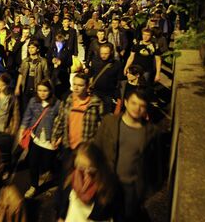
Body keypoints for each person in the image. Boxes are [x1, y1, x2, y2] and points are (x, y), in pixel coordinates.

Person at [92, 88, 164, 221]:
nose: (137, 108)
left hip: (131, 189)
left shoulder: (152, 132)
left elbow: (156, 164)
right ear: (125, 102)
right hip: (107, 182)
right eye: (134, 103)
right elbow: (97, 149)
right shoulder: (109, 122)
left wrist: (147, 192)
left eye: (142, 105)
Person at [55, 142, 122, 222]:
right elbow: (61, 202)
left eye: (91, 169)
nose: (86, 175)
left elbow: (114, 212)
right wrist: (61, 217)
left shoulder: (107, 187)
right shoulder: (69, 178)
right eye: (82, 168)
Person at [52, 74, 104, 172]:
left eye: (80, 85)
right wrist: (55, 136)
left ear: (87, 86)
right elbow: (61, 119)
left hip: (85, 148)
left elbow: (101, 126)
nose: (76, 88)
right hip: (68, 145)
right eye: (74, 84)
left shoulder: (96, 103)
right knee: (67, 175)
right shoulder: (68, 99)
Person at [19, 79, 61, 198]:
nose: (42, 93)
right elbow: (27, 116)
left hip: (49, 140)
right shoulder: (33, 101)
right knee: (33, 163)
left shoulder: (57, 104)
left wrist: (60, 137)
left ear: (50, 91)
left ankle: (52, 177)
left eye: (45, 90)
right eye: (40, 90)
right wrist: (22, 130)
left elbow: (62, 121)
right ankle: (33, 186)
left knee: (47, 164)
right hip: (35, 138)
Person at [14, 40, 51, 111]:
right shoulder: (25, 61)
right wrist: (17, 87)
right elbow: (21, 74)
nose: (30, 49)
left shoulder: (43, 61)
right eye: (29, 47)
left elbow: (46, 76)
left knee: (36, 109)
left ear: (37, 49)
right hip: (26, 88)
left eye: (33, 47)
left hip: (37, 88)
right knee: (25, 108)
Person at [89, 43, 123, 114]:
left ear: (111, 53)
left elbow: (119, 80)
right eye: (102, 53)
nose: (103, 55)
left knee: (106, 114)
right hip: (95, 92)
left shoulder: (117, 64)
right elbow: (90, 74)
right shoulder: (95, 62)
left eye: (106, 53)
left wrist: (117, 96)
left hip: (108, 94)